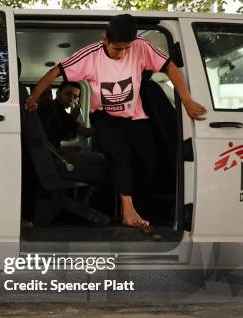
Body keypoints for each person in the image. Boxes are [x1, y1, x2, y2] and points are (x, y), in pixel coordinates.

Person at [25, 14, 206, 230]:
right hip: (104, 117)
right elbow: (56, 71)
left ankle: (141, 210)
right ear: (104, 40)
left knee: (147, 160)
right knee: (120, 155)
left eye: (127, 48)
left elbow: (170, 67)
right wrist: (33, 98)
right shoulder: (89, 55)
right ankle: (128, 212)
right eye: (117, 49)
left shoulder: (141, 46)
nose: (123, 54)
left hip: (136, 117)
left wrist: (187, 100)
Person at [37, 81, 95, 150]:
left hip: (52, 152)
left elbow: (66, 135)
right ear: (58, 93)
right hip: (51, 155)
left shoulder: (57, 110)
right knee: (98, 157)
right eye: (68, 94)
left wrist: (73, 117)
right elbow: (86, 132)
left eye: (75, 96)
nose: (71, 99)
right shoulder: (56, 111)